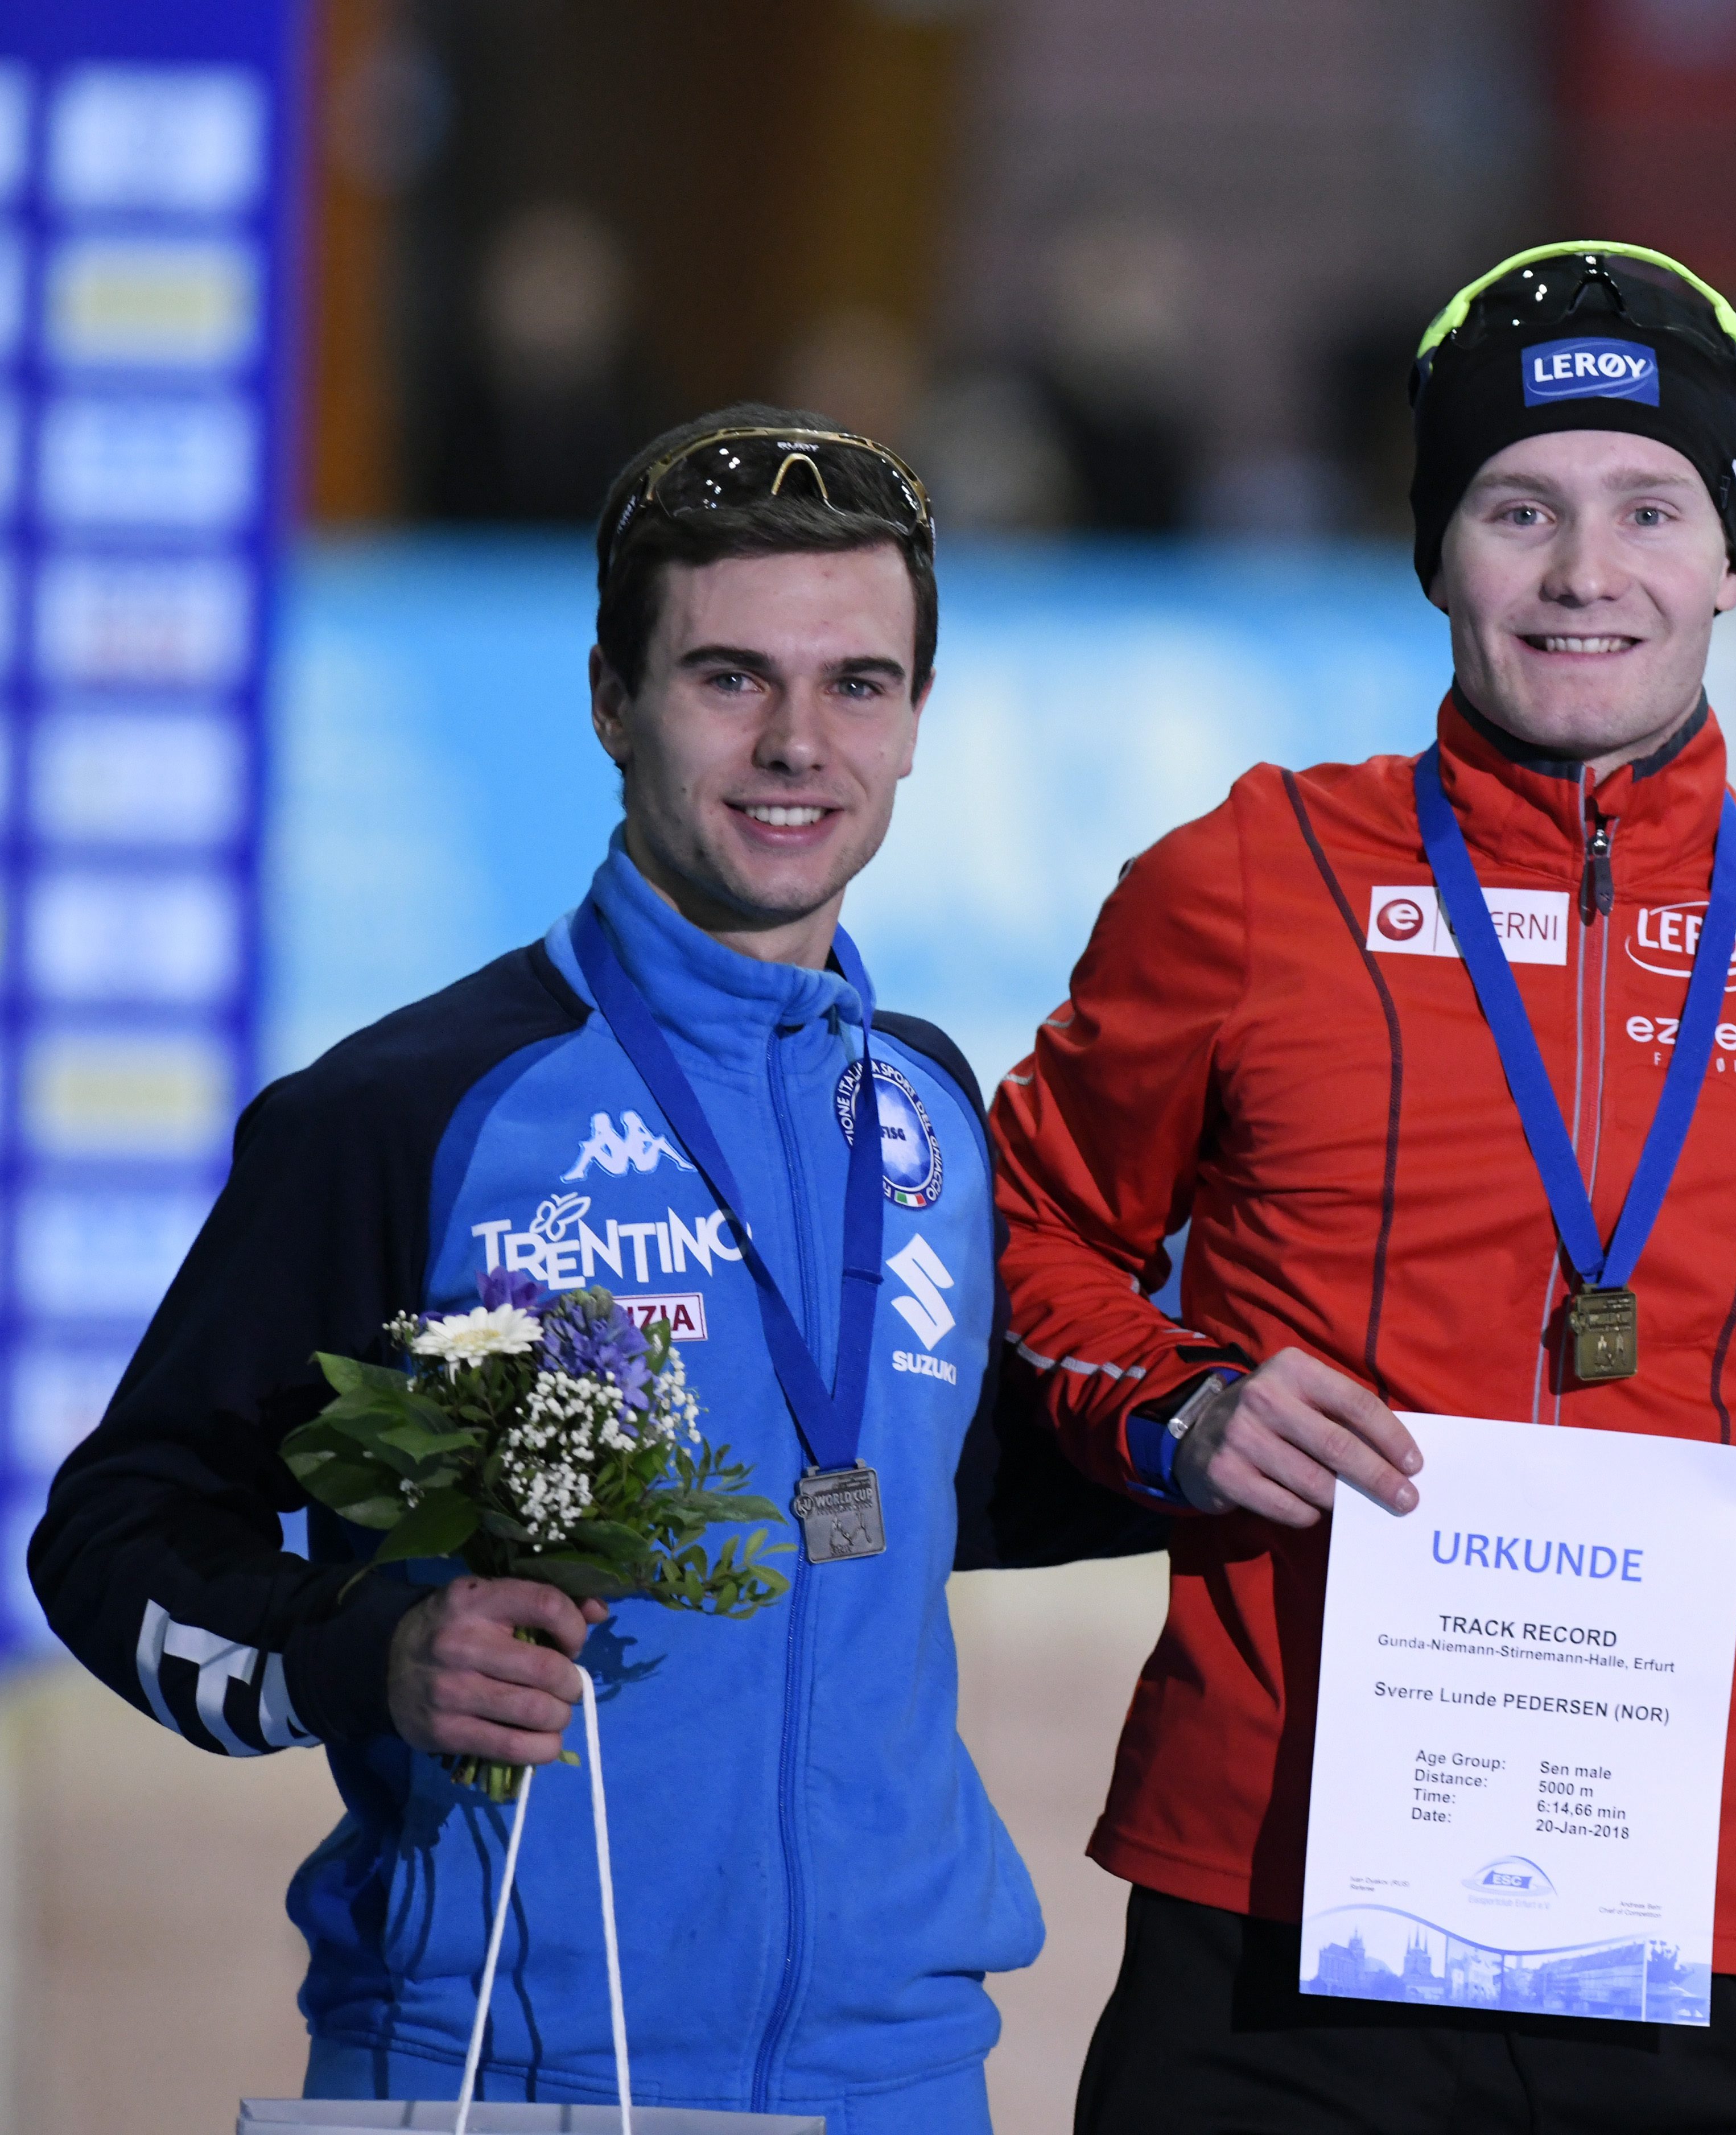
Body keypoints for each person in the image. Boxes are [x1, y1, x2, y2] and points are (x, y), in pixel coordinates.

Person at [28, 405, 1152, 2132]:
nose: (798, 744)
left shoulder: (924, 1101)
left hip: (906, 2082)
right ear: (611, 700)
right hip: (502, 2074)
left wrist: (1236, 1421)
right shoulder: (406, 1111)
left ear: (920, 719)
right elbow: (114, 1531)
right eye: (729, 679)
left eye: (858, 683)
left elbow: (957, 1474)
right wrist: (366, 1647)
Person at [991, 243, 1736, 2134]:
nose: (1588, 575)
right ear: (1437, 547)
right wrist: (1178, 1409)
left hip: (1674, 1902)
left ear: (1733, 555)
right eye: (1519, 507)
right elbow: (1032, 1225)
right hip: (1265, 1887)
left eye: (1650, 509)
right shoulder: (1251, 876)